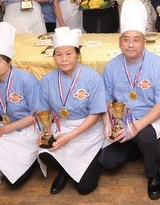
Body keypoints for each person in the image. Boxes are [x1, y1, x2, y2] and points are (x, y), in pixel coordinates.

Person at [99, 0, 160, 200]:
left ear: (144, 40)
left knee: (144, 136)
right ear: (119, 41)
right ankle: (136, 149)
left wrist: (136, 127)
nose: (131, 45)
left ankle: (155, 172)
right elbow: (106, 99)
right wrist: (108, 121)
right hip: (122, 119)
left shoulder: (158, 65)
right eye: (126, 39)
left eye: (136, 39)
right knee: (107, 162)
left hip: (150, 117)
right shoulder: (112, 66)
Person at [37, 27, 106, 195]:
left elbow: (96, 114)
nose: (63, 59)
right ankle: (65, 170)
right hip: (62, 127)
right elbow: (43, 111)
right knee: (43, 153)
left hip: (87, 131)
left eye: (69, 53)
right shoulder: (47, 80)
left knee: (85, 188)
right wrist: (44, 130)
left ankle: (78, 165)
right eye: (58, 54)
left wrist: (71, 136)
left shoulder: (93, 77)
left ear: (77, 54)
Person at [0, 22, 41, 191]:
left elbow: (36, 115)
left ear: (8, 60)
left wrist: (5, 129)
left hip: (28, 129)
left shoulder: (26, 79)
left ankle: (27, 163)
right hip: (5, 126)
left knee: (15, 183)